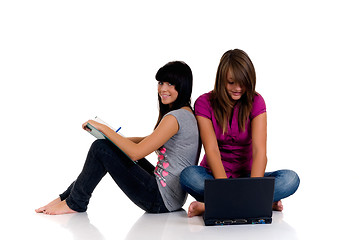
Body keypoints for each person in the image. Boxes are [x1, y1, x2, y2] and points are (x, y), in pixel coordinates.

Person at [36, 61, 200, 215]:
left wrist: (104, 129)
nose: (163, 89)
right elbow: (147, 139)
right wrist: (112, 141)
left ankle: (75, 202)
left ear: (183, 86)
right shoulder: (185, 114)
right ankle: (66, 198)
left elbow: (137, 153)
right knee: (106, 147)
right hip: (170, 197)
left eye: (170, 84)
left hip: (160, 199)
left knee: (100, 148)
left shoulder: (175, 118)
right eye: (161, 83)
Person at [180, 49, 300, 217]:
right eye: (231, 83)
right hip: (214, 176)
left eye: (242, 83)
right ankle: (259, 203)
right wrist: (226, 189)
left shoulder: (256, 101)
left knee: (290, 179)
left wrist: (253, 188)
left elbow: (260, 152)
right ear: (221, 80)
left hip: (249, 177)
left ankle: (212, 206)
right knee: (188, 176)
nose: (238, 88)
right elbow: (212, 151)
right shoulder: (204, 102)